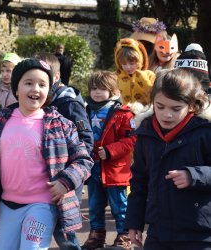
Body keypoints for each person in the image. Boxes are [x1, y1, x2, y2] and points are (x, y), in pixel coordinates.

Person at [0, 58, 93, 250]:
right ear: (16, 89)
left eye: (42, 84)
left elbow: (84, 159)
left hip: (42, 204)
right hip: (8, 205)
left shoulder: (60, 124)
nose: (35, 89)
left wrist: (65, 181)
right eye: (29, 83)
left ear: (49, 91)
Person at [125, 68, 211, 249]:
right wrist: (134, 221)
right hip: (158, 232)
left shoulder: (205, 132)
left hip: (200, 234)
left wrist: (193, 176)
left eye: (176, 108)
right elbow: (139, 181)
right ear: (152, 102)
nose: (167, 114)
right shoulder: (146, 134)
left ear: (192, 106)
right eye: (160, 106)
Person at [35, 52, 93, 250]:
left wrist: (71, 177)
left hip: (66, 178)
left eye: (43, 78)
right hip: (44, 177)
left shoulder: (69, 104)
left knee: (64, 231)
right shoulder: (40, 101)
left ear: (57, 77)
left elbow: (86, 141)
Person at [81, 71, 136, 250]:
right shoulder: (85, 110)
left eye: (102, 89)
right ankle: (96, 235)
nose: (97, 92)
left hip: (115, 170)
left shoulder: (123, 113)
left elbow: (131, 139)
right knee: (95, 205)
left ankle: (124, 236)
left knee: (119, 205)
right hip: (93, 168)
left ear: (112, 90)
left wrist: (111, 151)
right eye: (94, 88)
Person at [114, 37, 155, 105]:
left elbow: (153, 92)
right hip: (125, 111)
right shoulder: (117, 77)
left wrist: (143, 78)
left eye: (132, 63)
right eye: (124, 64)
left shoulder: (149, 75)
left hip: (144, 111)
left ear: (140, 60)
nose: (128, 67)